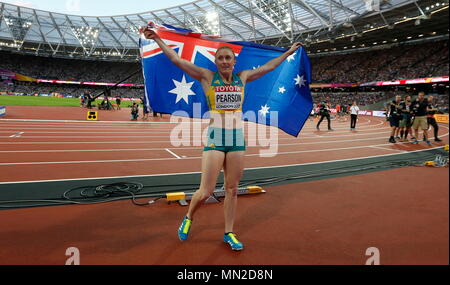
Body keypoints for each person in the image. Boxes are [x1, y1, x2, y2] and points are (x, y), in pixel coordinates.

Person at [143, 24, 303, 251]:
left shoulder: (243, 77)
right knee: (206, 191)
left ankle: (229, 232)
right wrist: (158, 40)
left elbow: (268, 67)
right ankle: (189, 216)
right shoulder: (207, 77)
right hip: (215, 138)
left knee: (232, 189)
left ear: (234, 61)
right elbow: (178, 61)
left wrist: (288, 53)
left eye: (228, 58)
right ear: (216, 62)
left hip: (237, 139)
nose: (225, 61)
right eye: (221, 58)